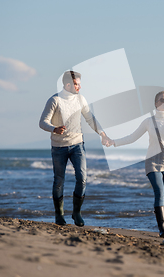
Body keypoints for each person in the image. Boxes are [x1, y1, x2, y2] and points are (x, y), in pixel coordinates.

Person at [110, 91, 164, 238]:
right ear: (156, 103)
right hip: (152, 162)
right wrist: (114, 142)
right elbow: (132, 137)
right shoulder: (148, 121)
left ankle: (157, 208)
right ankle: (162, 229)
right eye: (162, 100)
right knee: (160, 194)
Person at [39, 70, 113, 226]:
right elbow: (42, 122)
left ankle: (76, 213)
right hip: (58, 147)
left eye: (79, 84)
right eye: (77, 84)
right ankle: (59, 215)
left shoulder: (80, 99)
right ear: (67, 85)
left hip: (77, 145)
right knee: (59, 181)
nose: (79, 87)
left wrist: (102, 134)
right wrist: (54, 128)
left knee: (82, 178)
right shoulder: (55, 100)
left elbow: (90, 118)